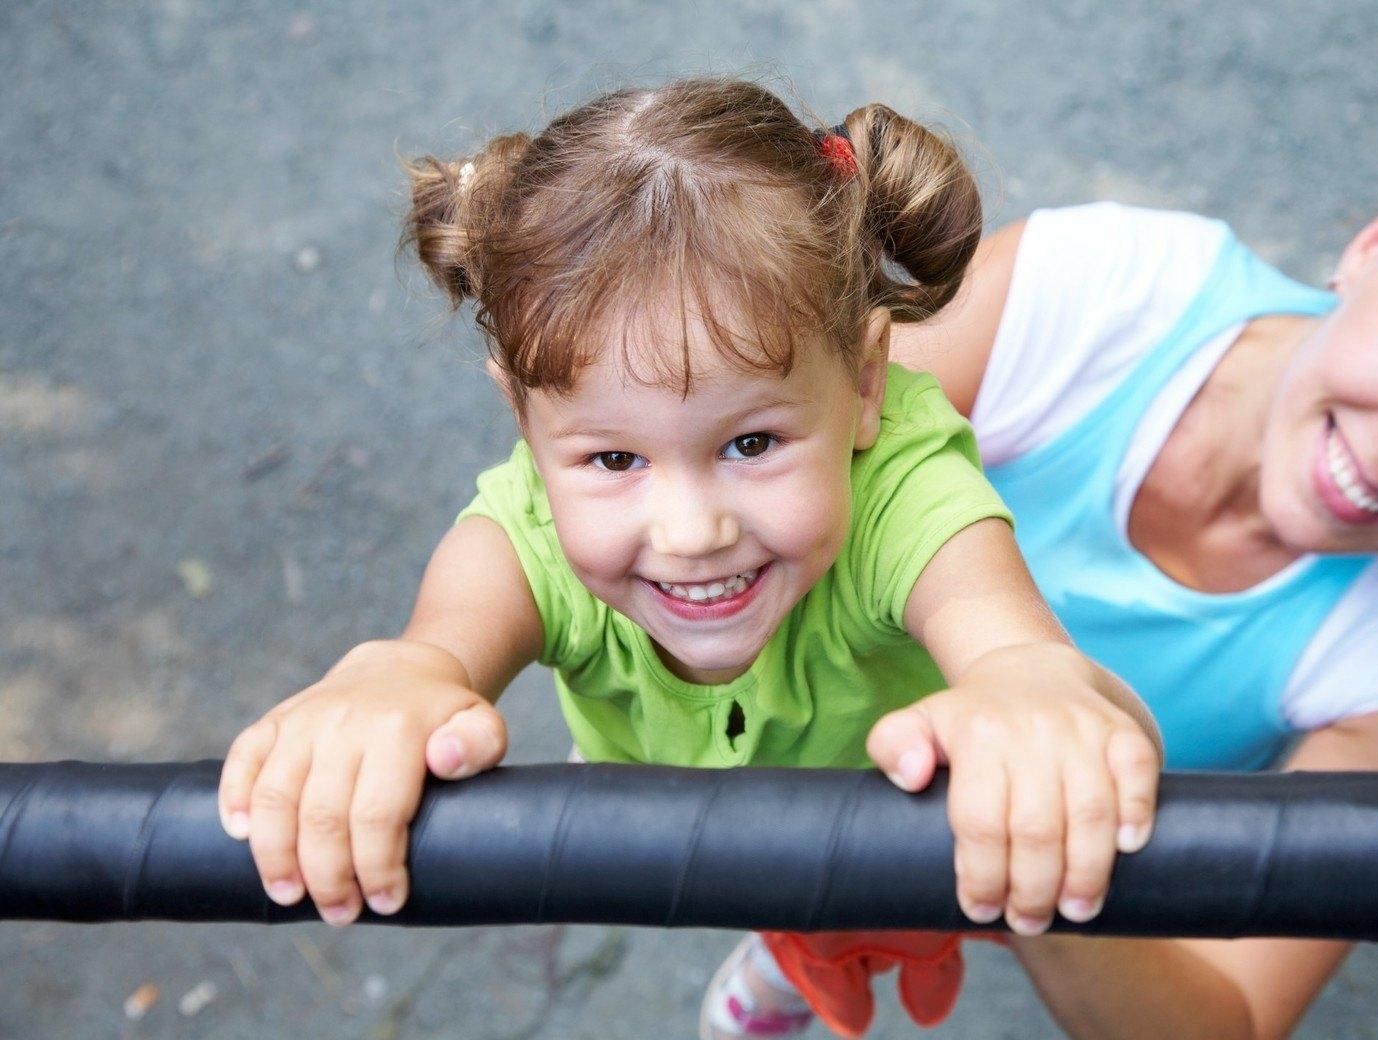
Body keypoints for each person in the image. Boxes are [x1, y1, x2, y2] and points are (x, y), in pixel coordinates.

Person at [212, 79, 1162, 1039]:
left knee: (1012, 868)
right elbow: (436, 647)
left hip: (902, 824)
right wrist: (391, 681)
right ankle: (782, 960)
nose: (689, 530)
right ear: (526, 425)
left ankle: (795, 959)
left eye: (750, 444)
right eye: (614, 459)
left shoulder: (905, 488)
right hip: (711, 802)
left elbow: (1003, 640)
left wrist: (1025, 686)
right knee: (791, 916)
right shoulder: (528, 528)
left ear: (867, 383)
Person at [874, 126, 1378, 1038]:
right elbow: (763, 476)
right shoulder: (1093, 290)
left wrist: (1032, 832)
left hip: (1036, 862)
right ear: (1376, 245)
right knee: (784, 909)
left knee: (836, 911)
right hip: (800, 717)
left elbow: (1226, 1016)